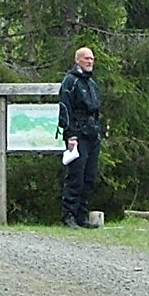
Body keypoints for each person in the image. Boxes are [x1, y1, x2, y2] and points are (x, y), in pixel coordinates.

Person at [58, 48, 103, 228]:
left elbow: (96, 111)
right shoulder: (70, 82)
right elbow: (65, 108)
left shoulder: (91, 83)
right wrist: (70, 135)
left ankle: (82, 216)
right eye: (86, 58)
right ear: (77, 60)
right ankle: (68, 215)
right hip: (77, 135)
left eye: (92, 58)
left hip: (92, 135)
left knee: (89, 177)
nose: (90, 61)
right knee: (76, 176)